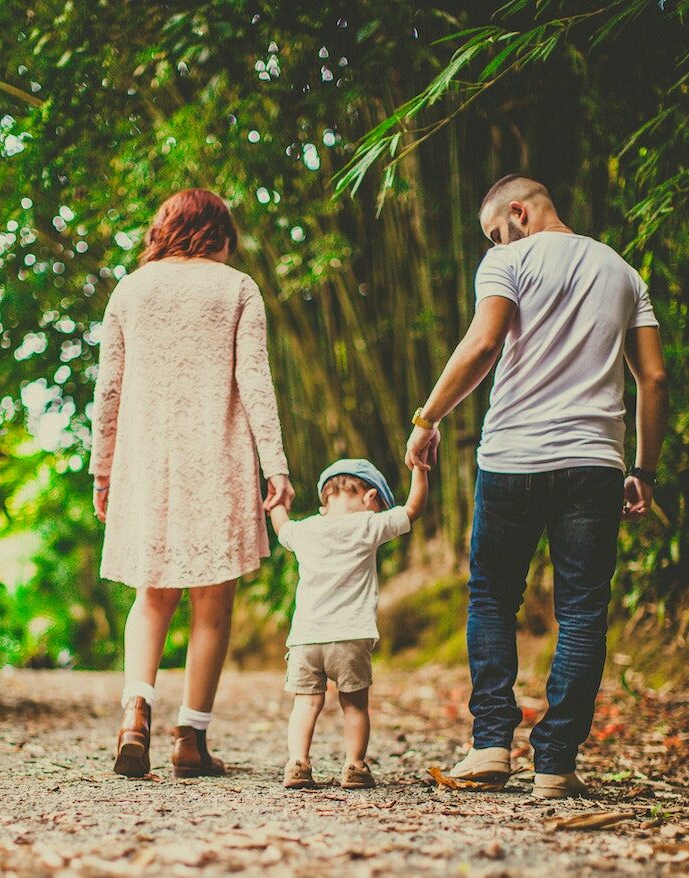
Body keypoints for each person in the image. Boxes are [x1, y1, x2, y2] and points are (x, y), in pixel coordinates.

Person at [405, 175, 669, 798]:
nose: (496, 240)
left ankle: (491, 747)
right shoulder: (624, 272)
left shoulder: (509, 259)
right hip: (595, 464)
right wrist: (645, 470)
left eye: (496, 228)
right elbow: (653, 380)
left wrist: (427, 419)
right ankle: (555, 765)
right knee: (582, 611)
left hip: (514, 459)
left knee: (493, 598)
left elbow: (484, 342)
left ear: (518, 212)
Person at [90, 188, 294, 779]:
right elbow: (256, 381)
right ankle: (190, 741)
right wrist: (275, 466)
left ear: (165, 230)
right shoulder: (236, 288)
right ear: (220, 234)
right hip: (218, 456)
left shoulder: (131, 288)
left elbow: (109, 388)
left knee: (151, 594)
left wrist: (103, 467)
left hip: (146, 460)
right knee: (214, 603)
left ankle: (135, 716)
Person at [270, 458, 428, 790]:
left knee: (306, 703)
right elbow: (413, 508)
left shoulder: (305, 530)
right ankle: (354, 766)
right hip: (351, 636)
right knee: (354, 704)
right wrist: (420, 470)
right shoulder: (367, 526)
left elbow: (281, 525)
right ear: (370, 498)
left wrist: (279, 502)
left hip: (306, 639)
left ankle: (298, 763)